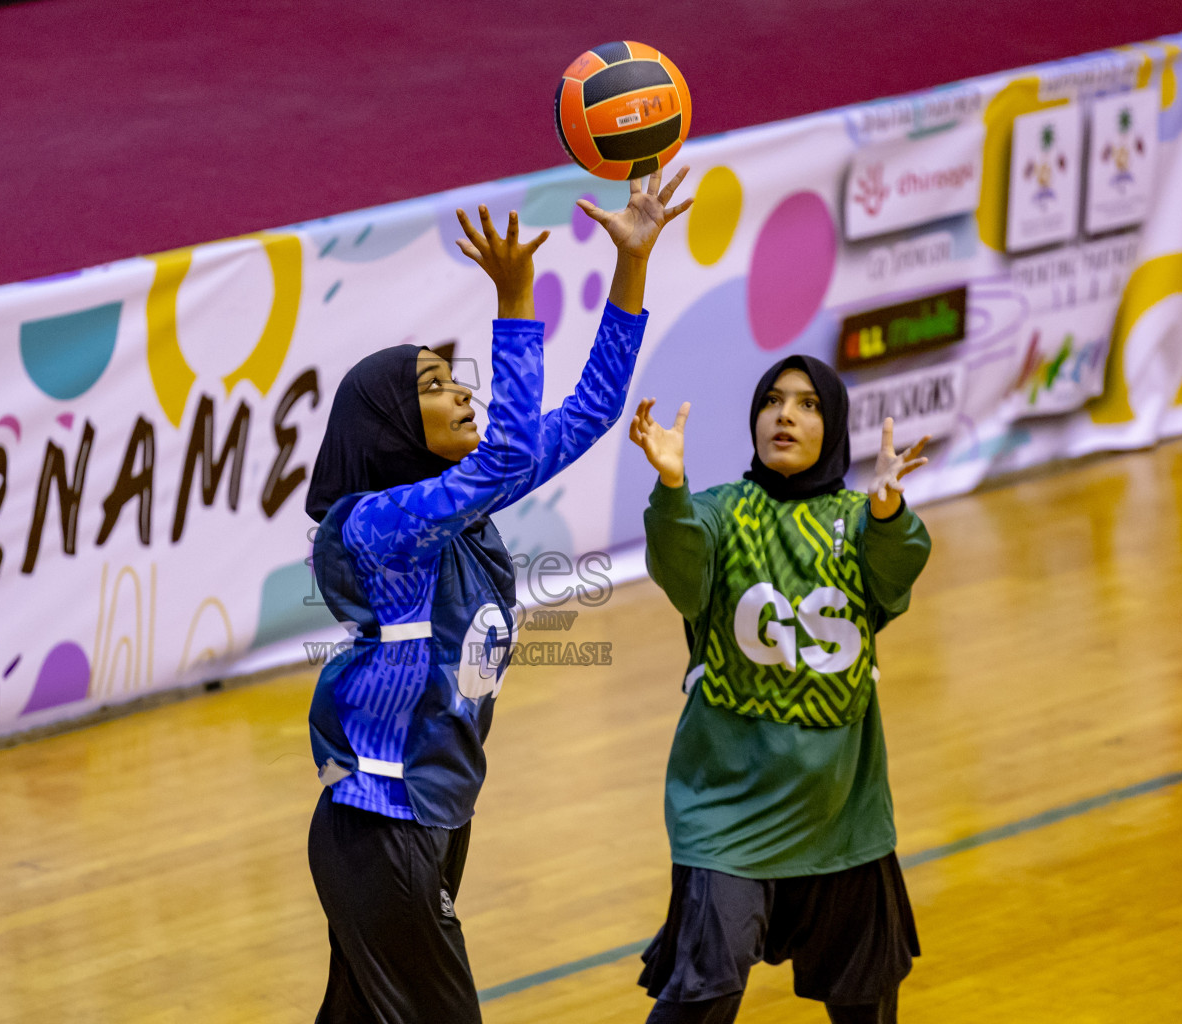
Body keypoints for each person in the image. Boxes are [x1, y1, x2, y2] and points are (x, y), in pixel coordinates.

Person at [303, 168, 692, 1024]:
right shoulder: (377, 525)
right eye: (437, 385)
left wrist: (631, 264)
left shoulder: (460, 513)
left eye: (457, 378)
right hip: (381, 822)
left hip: (434, 811)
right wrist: (516, 298)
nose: (464, 392)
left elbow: (590, 411)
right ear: (391, 428)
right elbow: (512, 455)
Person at [628, 356, 933, 1024]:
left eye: (807, 404)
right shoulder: (720, 513)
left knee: (866, 998)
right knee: (703, 996)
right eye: (772, 401)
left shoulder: (860, 522)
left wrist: (887, 513)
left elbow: (898, 568)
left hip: (843, 817)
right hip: (729, 815)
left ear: (836, 427)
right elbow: (681, 570)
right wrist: (672, 488)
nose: (785, 414)